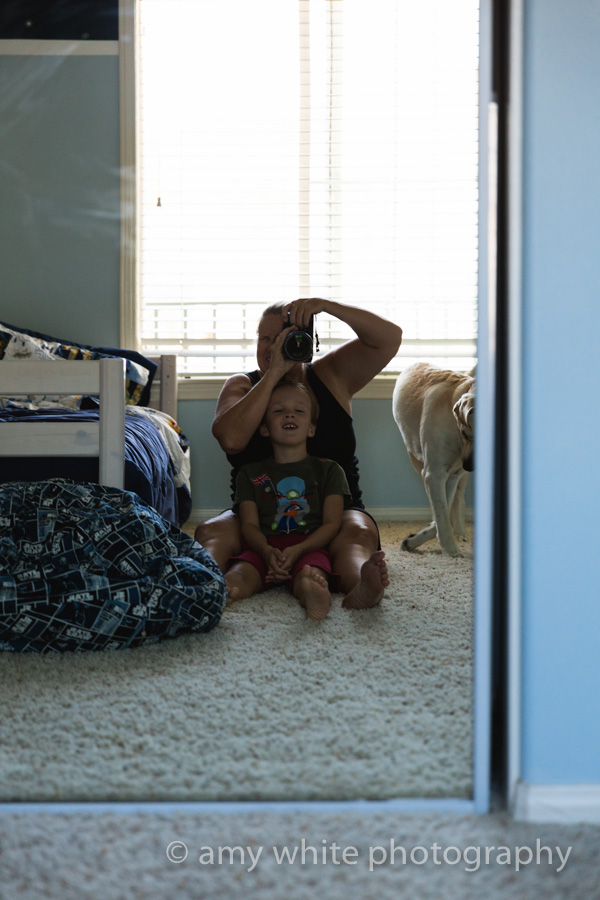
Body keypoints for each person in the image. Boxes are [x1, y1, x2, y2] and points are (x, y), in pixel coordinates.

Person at [195, 297, 402, 609]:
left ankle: (362, 585)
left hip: (336, 516)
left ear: (306, 341)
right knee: (211, 531)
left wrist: (326, 306)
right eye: (264, 338)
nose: (272, 346)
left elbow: (389, 338)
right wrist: (274, 374)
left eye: (282, 337)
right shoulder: (242, 386)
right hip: (257, 520)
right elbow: (231, 440)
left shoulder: (332, 374)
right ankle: (200, 585)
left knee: (357, 534)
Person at [226, 381, 351, 619]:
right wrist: (266, 551)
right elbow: (249, 525)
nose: (289, 414)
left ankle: (312, 594)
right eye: (278, 410)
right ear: (264, 429)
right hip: (263, 546)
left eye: (299, 410)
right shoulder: (249, 473)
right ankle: (223, 592)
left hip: (309, 545)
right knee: (239, 573)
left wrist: (300, 549)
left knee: (311, 574)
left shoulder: (330, 470)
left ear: (311, 429)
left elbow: (332, 523)